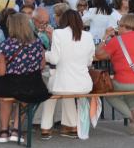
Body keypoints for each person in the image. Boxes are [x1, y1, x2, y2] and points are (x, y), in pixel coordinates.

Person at [40, 10, 94, 140]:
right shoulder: (88, 35)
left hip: (63, 82)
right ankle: (71, 126)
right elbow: (89, 61)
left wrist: (44, 53)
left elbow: (54, 59)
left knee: (51, 93)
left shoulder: (58, 33)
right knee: (67, 92)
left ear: (63, 20)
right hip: (84, 83)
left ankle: (46, 127)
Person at [0, 13, 48, 143]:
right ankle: (16, 129)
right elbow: (42, 65)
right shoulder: (37, 43)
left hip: (9, 85)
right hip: (32, 85)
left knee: (4, 98)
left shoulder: (6, 45)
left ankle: (4, 131)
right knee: (25, 96)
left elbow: (0, 72)